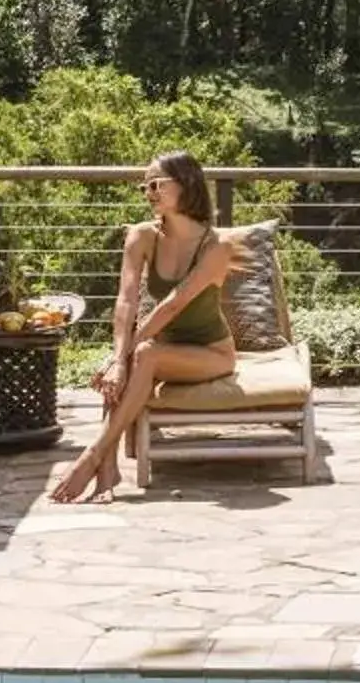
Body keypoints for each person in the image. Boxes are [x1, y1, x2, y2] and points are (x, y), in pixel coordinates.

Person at [51, 151, 240, 504]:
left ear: (186, 184)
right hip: (159, 349)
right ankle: (107, 469)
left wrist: (122, 358)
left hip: (211, 355)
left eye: (156, 184)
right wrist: (118, 360)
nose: (148, 192)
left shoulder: (217, 246)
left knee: (141, 355)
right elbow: (125, 301)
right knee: (129, 362)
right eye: (144, 186)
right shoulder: (142, 236)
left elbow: (173, 305)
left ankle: (93, 458)